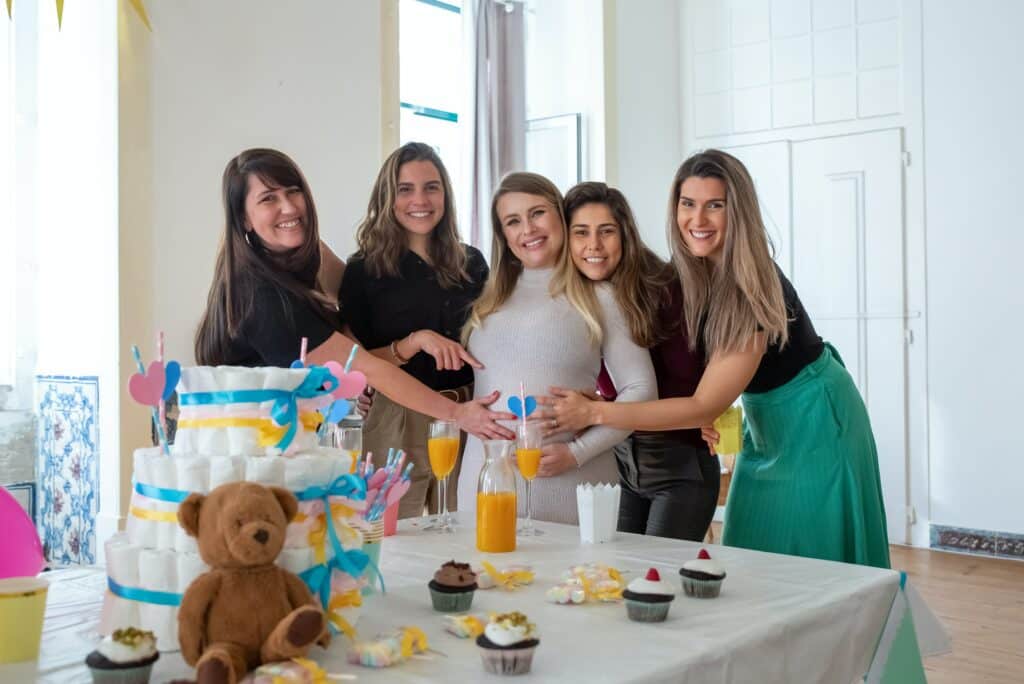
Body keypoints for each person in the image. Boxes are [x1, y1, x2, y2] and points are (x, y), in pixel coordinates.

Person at [546, 150, 890, 568]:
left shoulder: (749, 286)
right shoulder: (691, 270)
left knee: (810, 561)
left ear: (738, 212)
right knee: (752, 546)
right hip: (766, 417)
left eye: (715, 205)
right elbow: (700, 375)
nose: (698, 219)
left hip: (817, 419)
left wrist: (597, 413)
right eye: (688, 204)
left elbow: (703, 403)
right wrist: (707, 406)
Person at [194, 147, 514, 440]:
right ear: (244, 220)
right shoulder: (261, 295)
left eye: (294, 192)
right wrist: (456, 412)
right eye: (268, 199)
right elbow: (363, 364)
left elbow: (352, 344)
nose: (289, 207)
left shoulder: (302, 257)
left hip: (294, 436)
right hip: (248, 445)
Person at [456, 172, 656, 525]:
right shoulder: (486, 300)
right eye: (512, 221)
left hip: (570, 484)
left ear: (560, 216)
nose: (528, 229)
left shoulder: (599, 296)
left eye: (537, 213)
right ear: (503, 235)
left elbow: (642, 392)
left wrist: (576, 453)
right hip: (484, 481)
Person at [554, 181, 718, 541]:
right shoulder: (583, 298)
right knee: (618, 576)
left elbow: (702, 378)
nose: (593, 246)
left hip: (681, 468)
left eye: (606, 232)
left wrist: (710, 412)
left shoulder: (666, 288)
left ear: (625, 235)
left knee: (659, 583)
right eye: (581, 233)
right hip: (622, 464)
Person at [340, 142, 488, 518]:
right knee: (392, 539)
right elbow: (352, 363)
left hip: (467, 411)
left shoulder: (472, 263)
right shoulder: (363, 271)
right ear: (388, 198)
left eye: (431, 187)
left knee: (463, 534)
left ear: (445, 194)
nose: (419, 199)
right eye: (405, 189)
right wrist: (414, 342)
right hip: (396, 415)